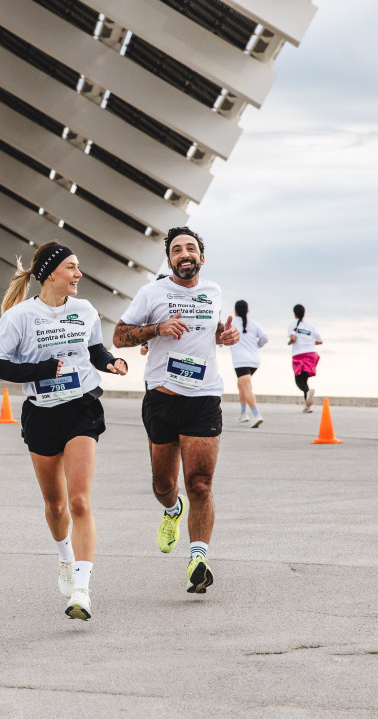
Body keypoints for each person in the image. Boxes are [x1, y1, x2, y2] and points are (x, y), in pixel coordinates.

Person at [0, 242, 127, 621]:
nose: (78, 274)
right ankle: (65, 556)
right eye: (72, 267)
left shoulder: (84, 310)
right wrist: (41, 370)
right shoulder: (20, 316)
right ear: (51, 273)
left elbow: (94, 349)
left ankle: (82, 589)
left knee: (80, 501)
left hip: (81, 408)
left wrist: (111, 361)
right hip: (41, 414)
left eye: (78, 267)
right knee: (56, 505)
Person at [113, 226, 240, 595]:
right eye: (177, 250)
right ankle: (172, 511)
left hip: (203, 399)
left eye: (191, 249)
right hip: (162, 400)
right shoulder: (152, 293)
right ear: (169, 259)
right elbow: (120, 335)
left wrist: (224, 336)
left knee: (199, 483)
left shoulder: (213, 292)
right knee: (164, 485)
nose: (184, 254)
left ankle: (198, 558)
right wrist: (156, 328)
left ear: (202, 257)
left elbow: (208, 332)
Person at [229, 300, 269, 427]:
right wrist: (257, 345)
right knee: (241, 385)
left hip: (240, 361)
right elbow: (265, 338)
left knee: (246, 386)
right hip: (254, 360)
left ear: (235, 311)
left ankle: (257, 415)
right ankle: (242, 414)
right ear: (248, 310)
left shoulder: (232, 323)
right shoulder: (254, 324)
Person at [287, 305, 323, 413]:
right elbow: (320, 341)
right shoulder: (311, 325)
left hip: (299, 355)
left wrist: (289, 342)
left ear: (295, 313)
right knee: (305, 380)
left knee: (298, 381)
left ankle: (307, 393)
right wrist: (310, 342)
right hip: (312, 354)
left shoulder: (293, 324)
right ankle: (307, 407)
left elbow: (293, 338)